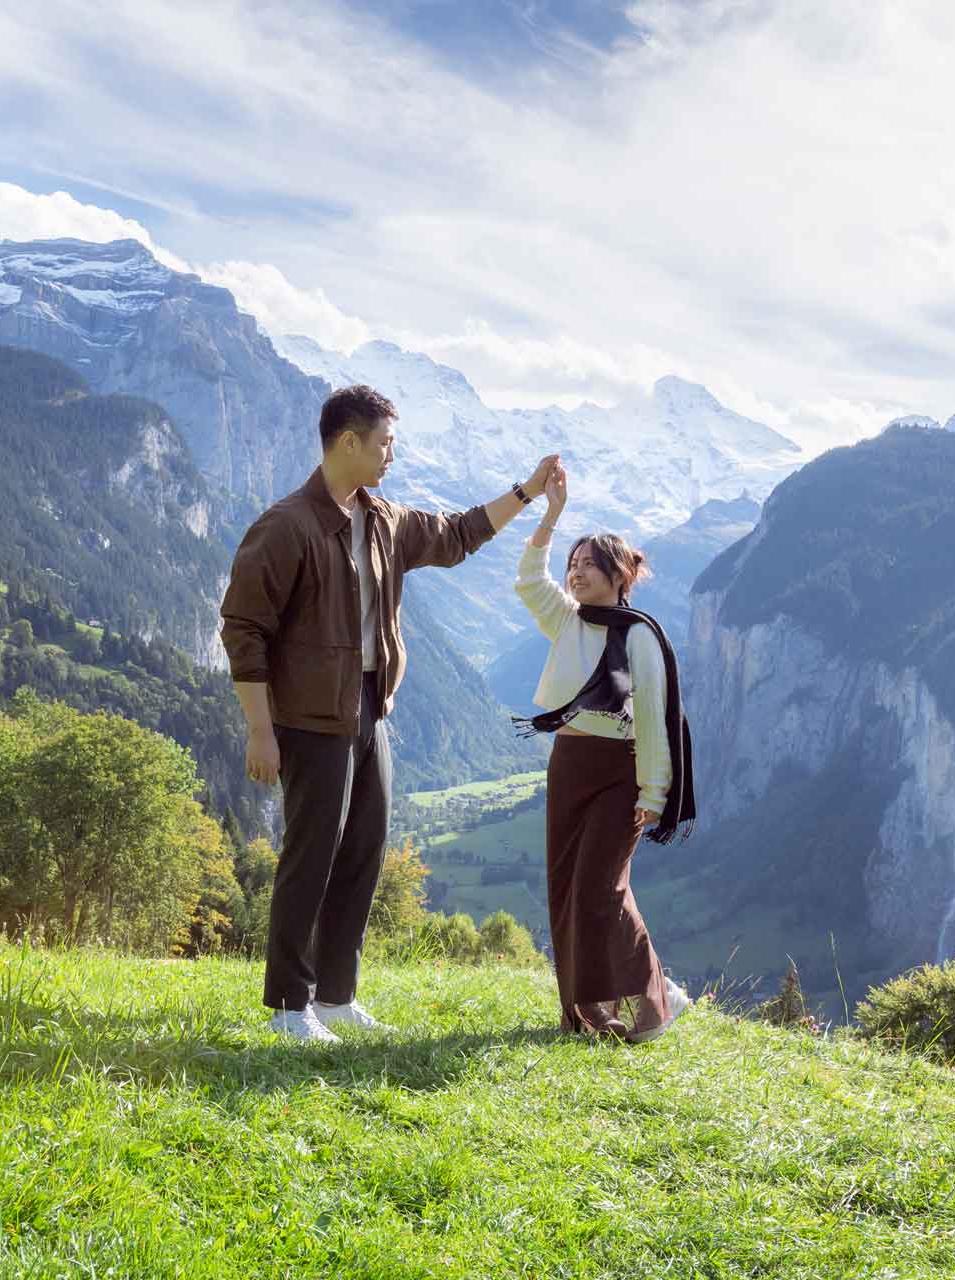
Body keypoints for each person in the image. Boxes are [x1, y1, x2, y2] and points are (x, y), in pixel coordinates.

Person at [221, 383, 559, 1043]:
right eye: (385, 444)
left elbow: (459, 536)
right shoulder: (288, 525)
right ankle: (291, 1007)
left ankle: (337, 995)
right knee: (311, 854)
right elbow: (243, 629)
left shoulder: (383, 520)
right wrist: (260, 729)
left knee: (364, 849)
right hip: (309, 720)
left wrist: (527, 492)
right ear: (348, 441)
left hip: (370, 709)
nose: (391, 457)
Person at [512, 464, 697, 1041]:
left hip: (620, 772)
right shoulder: (567, 621)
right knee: (567, 886)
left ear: (619, 574)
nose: (576, 572)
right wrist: (550, 516)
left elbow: (651, 720)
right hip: (569, 764)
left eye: (589, 564)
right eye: (573, 564)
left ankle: (656, 1001)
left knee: (601, 886)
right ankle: (588, 1015)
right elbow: (527, 578)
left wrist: (653, 792)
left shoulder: (638, 634)